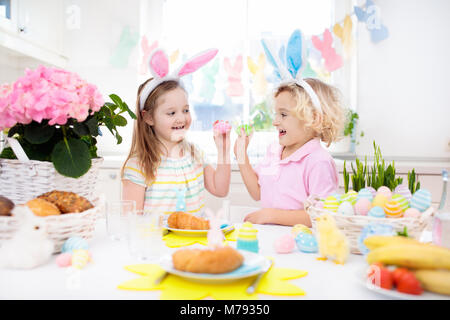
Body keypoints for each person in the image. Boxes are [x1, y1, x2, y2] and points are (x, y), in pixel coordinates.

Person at [121, 49, 230, 215]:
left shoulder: (195, 155)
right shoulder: (138, 166)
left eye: (185, 110)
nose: (181, 118)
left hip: (195, 241)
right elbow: (131, 220)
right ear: (149, 117)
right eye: (171, 113)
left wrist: (223, 150)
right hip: (158, 241)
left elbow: (220, 190)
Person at [234, 74, 345, 227]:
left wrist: (271, 215)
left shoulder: (318, 161)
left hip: (300, 244)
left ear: (313, 119)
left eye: (283, 114)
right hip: (270, 237)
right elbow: (257, 192)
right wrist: (241, 155)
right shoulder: (274, 151)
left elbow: (323, 216)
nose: (275, 122)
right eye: (276, 114)